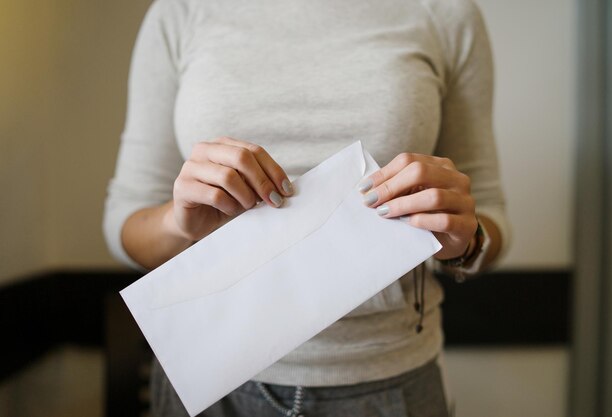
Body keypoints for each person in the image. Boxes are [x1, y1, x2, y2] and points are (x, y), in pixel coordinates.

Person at [104, 0, 510, 415]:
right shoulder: (181, 12)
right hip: (209, 377)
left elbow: (490, 217)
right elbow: (125, 220)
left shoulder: (445, 13)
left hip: (387, 379)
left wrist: (467, 240)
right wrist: (179, 224)